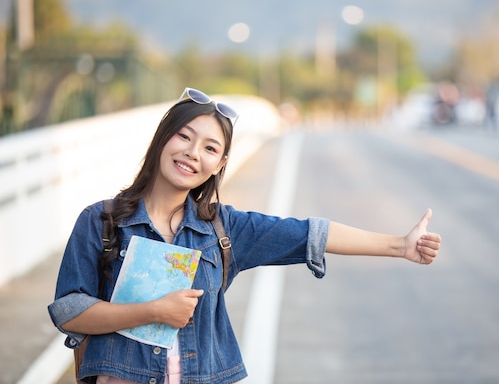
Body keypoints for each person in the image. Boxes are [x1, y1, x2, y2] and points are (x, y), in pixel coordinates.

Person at [48, 87, 442, 384]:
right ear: (162, 138)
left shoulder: (223, 229)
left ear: (219, 163)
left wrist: (400, 246)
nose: (192, 153)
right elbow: (69, 310)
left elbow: (310, 234)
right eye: (184, 137)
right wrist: (152, 312)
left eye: (209, 148)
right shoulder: (102, 221)